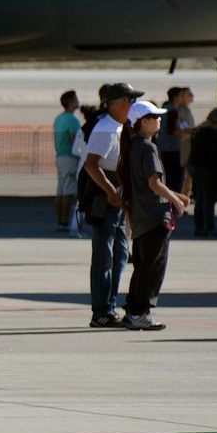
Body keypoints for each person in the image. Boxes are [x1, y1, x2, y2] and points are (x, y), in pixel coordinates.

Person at [121, 100, 187, 330]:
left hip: (141, 217)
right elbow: (153, 182)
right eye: (155, 117)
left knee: (142, 267)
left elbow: (148, 183)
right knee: (153, 268)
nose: (159, 120)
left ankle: (133, 311)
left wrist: (174, 194)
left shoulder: (134, 146)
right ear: (143, 122)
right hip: (153, 217)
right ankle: (141, 313)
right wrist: (176, 200)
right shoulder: (147, 148)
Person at [82, 82, 141, 328]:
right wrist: (110, 191)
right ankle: (101, 311)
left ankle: (109, 306)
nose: (133, 105)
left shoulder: (120, 126)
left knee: (119, 255)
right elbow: (91, 164)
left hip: (116, 195)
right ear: (117, 104)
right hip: (105, 198)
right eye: (130, 100)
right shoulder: (106, 129)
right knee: (105, 255)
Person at [187, 108, 217, 237]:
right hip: (207, 171)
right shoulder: (212, 134)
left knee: (200, 199)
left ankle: (200, 227)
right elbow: (213, 155)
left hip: (197, 169)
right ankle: (209, 226)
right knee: (208, 200)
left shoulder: (199, 131)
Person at [53, 91, 82, 231]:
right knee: (68, 191)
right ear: (71, 102)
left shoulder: (59, 118)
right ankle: (64, 221)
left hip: (60, 157)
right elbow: (74, 140)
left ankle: (60, 221)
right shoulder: (72, 120)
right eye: (76, 99)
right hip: (70, 158)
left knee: (61, 190)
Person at [158, 86, 186, 193]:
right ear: (175, 97)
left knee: (169, 178)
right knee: (175, 180)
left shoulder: (166, 107)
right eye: (181, 96)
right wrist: (188, 132)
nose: (183, 98)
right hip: (173, 149)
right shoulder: (173, 111)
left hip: (165, 147)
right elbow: (171, 130)